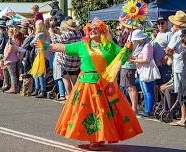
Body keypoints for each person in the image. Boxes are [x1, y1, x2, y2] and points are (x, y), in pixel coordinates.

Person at [43, 19, 142, 150]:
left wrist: (128, 49)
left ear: (103, 30)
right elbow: (62, 47)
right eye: (90, 29)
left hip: (104, 85)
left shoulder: (111, 47)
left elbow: (123, 58)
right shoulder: (82, 45)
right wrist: (45, 45)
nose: (92, 31)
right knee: (89, 112)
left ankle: (99, 138)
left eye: (96, 28)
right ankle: (94, 139)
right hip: (86, 85)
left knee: (103, 113)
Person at [130, 29, 160, 117]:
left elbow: (146, 60)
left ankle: (149, 110)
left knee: (148, 91)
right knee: (145, 90)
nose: (135, 41)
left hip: (147, 70)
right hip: (142, 70)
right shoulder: (142, 45)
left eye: (136, 39)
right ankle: (147, 109)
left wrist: (134, 60)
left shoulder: (147, 45)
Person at [166, 11, 186, 127]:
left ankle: (182, 118)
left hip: (179, 64)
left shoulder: (177, 34)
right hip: (182, 62)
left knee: (181, 93)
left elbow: (168, 49)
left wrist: (170, 56)